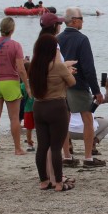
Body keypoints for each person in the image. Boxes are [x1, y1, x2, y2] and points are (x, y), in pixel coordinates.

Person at [58, 7, 106, 168]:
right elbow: (88, 67)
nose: (83, 22)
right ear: (74, 21)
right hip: (78, 84)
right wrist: (96, 90)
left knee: (64, 121)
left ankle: (67, 156)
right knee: (88, 120)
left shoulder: (57, 38)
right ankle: (88, 158)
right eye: (81, 19)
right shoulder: (82, 39)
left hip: (61, 85)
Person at [28, 33, 76, 191]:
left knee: (42, 146)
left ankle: (43, 180)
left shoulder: (34, 65)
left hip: (39, 107)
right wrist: (69, 71)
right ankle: (59, 183)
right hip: (56, 106)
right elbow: (72, 82)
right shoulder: (58, 65)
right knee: (55, 147)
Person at [0, 16, 29, 156]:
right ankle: (17, 149)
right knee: (14, 118)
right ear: (12, 29)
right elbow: (21, 69)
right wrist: (27, 86)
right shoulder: (16, 45)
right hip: (10, 83)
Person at [68, 74, 108, 147]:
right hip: (88, 132)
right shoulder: (92, 97)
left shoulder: (65, 94)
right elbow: (107, 99)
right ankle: (93, 143)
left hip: (69, 132)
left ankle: (68, 144)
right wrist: (107, 87)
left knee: (62, 121)